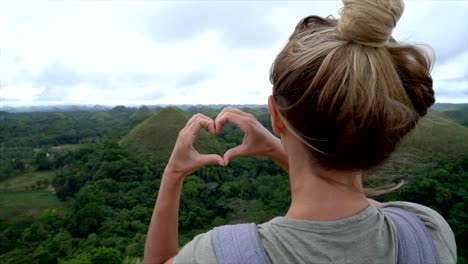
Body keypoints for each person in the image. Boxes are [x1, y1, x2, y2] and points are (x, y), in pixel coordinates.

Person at [144, 0, 457, 263]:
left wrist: (173, 174)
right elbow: (351, 202)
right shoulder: (427, 231)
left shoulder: (216, 255)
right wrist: (275, 147)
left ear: (276, 117)